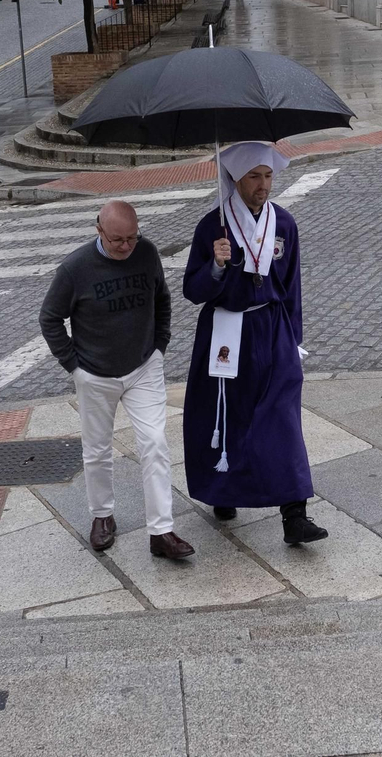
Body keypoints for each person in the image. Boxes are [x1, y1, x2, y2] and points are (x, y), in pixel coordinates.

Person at [182, 142, 327, 547]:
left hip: (273, 327)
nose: (263, 186)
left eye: (267, 176)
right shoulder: (213, 228)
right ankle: (222, 491)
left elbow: (292, 286)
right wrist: (216, 265)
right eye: (254, 177)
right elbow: (192, 290)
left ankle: (295, 513)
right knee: (227, 415)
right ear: (235, 180)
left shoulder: (285, 225)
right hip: (226, 332)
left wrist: (295, 340)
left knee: (282, 417)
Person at [39, 201, 194, 560]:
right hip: (94, 373)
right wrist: (74, 366)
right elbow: (50, 319)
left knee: (154, 442)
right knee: (96, 450)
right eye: (117, 240)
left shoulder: (147, 252)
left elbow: (162, 299)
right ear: (99, 231)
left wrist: (159, 346)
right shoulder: (75, 268)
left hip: (143, 366)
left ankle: (161, 531)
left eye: (131, 238)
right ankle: (102, 516)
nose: (126, 247)